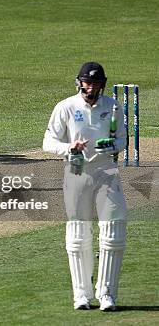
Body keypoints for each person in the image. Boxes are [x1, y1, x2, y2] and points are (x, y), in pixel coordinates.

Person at [43, 62, 127, 311]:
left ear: (102, 84)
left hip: (106, 172)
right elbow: (48, 141)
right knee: (78, 235)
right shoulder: (66, 107)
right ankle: (81, 295)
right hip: (76, 173)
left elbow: (122, 138)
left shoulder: (113, 106)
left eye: (96, 83)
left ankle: (107, 294)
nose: (91, 87)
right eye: (87, 82)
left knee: (113, 232)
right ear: (79, 82)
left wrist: (111, 147)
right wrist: (68, 148)